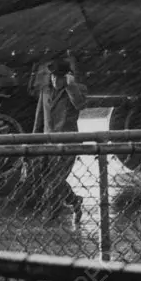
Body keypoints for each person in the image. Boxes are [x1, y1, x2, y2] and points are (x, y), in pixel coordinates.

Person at [31, 58, 88, 223]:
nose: (55, 80)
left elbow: (81, 105)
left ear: (67, 77)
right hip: (48, 144)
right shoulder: (45, 91)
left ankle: (52, 214)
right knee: (47, 178)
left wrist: (71, 87)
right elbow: (39, 119)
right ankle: (74, 200)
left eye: (59, 77)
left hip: (68, 143)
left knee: (55, 179)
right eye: (53, 76)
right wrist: (33, 143)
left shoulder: (77, 89)